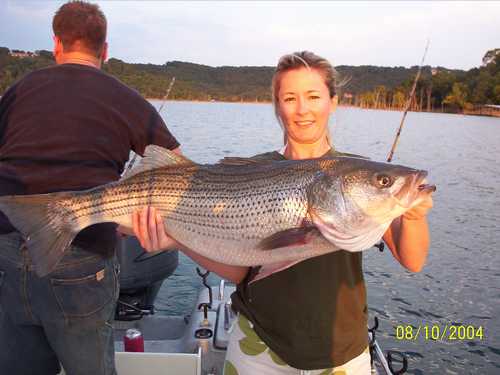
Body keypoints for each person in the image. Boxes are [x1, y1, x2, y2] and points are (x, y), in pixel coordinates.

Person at [132, 51, 433, 374]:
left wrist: (413, 215)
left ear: (333, 101)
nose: (303, 109)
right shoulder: (255, 170)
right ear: (278, 107)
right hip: (258, 346)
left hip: (341, 352)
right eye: (290, 98)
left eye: (314, 96)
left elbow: (412, 261)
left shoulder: (357, 175)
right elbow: (242, 272)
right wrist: (178, 240)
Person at [0, 2, 180, 374]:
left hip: (8, 246)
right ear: (105, 50)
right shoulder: (123, 96)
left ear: (56, 44)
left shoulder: (19, 90)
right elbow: (180, 169)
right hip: (82, 257)